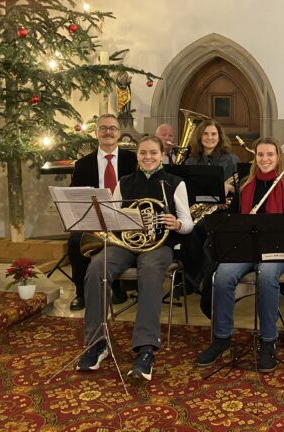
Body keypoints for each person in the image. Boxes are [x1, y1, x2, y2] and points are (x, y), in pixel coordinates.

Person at [77, 136, 194, 382]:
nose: (148, 157)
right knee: (97, 267)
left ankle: (145, 348)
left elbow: (188, 223)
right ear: (137, 155)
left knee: (149, 272)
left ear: (162, 155)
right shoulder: (125, 182)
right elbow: (112, 216)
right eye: (143, 153)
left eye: (153, 153)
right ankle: (97, 343)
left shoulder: (175, 183)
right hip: (126, 244)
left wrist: (177, 223)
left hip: (159, 246)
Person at [195, 137, 284, 372]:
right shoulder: (245, 186)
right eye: (260, 155)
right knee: (223, 276)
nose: (265, 159)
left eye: (270, 154)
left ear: (278, 158)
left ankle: (268, 341)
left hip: (278, 249)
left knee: (266, 276)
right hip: (246, 248)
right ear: (255, 158)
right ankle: (222, 338)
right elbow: (234, 221)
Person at [67, 114, 137, 311]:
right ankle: (81, 293)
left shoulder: (133, 160)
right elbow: (75, 196)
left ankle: (119, 288)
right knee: (75, 241)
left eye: (112, 128)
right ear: (96, 133)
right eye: (103, 128)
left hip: (124, 217)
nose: (108, 132)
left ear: (119, 133)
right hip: (94, 218)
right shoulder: (83, 164)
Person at [185, 119, 239, 194]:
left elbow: (243, 190)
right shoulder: (190, 162)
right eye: (205, 134)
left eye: (213, 134)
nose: (209, 137)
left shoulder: (233, 160)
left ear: (219, 137)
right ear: (200, 137)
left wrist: (230, 188)